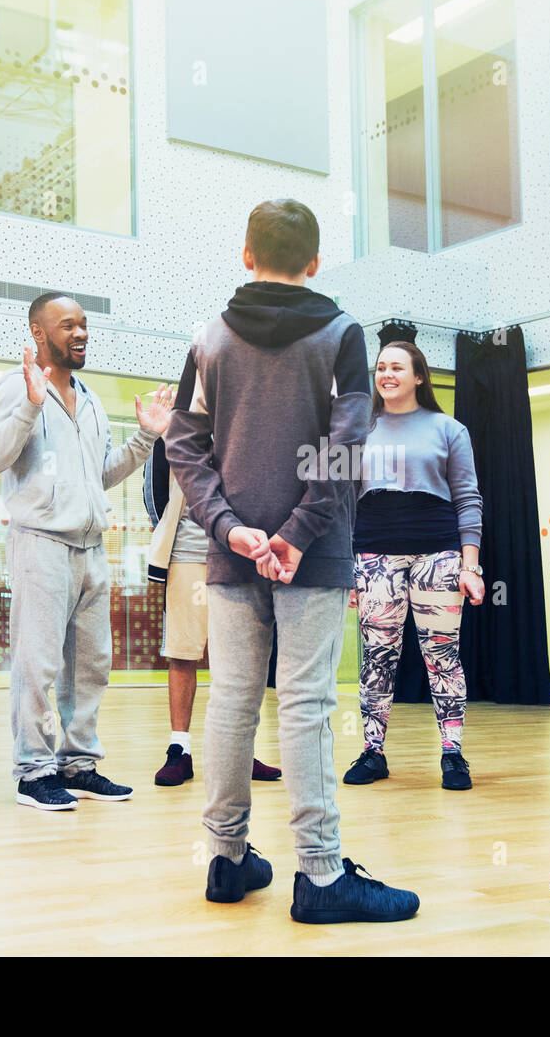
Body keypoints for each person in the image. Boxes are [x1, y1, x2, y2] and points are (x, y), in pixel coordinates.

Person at [165, 198, 418, 920]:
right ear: (314, 262)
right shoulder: (343, 334)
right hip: (311, 552)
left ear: (246, 254)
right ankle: (321, 875)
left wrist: (228, 526)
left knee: (232, 705)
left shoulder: (208, 338)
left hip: (233, 551)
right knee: (306, 708)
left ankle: (225, 858)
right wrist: (300, 532)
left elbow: (182, 442)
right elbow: (345, 443)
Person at [0, 293, 172, 810]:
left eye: (84, 324)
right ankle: (33, 771)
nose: (80, 333)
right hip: (40, 544)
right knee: (37, 664)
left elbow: (98, 475)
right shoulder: (16, 387)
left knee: (91, 665)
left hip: (91, 549)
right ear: (39, 334)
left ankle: (78, 763)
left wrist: (146, 438)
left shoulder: (89, 397)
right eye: (67, 325)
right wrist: (30, 405)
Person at [343, 340, 484, 791]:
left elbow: (467, 498)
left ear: (419, 376)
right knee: (377, 657)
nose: (387, 374)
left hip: (437, 554)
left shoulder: (448, 429)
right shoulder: (358, 430)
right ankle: (372, 752)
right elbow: (345, 503)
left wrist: (470, 564)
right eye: (381, 367)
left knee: (442, 656)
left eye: (397, 367)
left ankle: (453, 754)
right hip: (374, 555)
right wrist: (348, 567)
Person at [144, 442, 281, 785]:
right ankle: (180, 750)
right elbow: (154, 487)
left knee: (240, 658)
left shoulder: (243, 425)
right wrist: (166, 529)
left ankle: (239, 750)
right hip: (189, 551)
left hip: (238, 553)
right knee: (183, 650)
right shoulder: (175, 429)